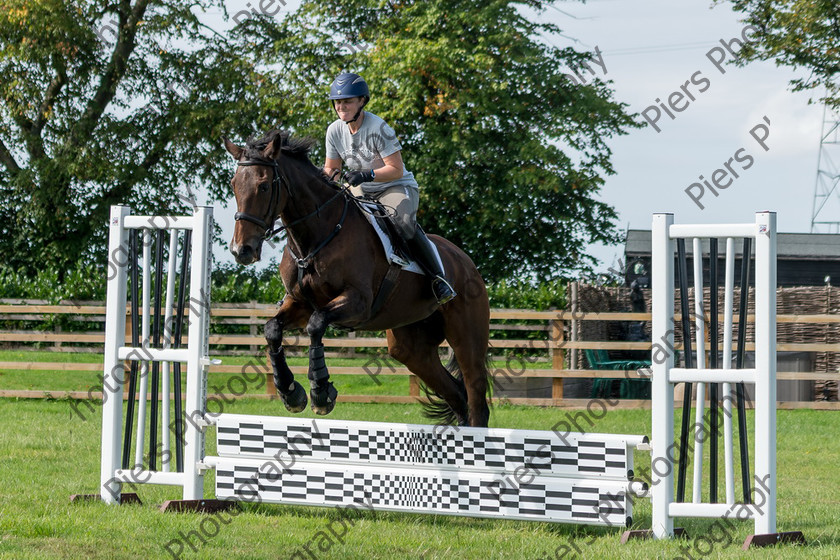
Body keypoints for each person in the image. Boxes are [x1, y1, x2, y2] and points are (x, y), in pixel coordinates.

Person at [323, 72, 456, 304]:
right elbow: (331, 170)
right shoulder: (334, 130)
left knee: (402, 224)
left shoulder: (378, 127)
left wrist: (367, 174)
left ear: (361, 101)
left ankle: (438, 278)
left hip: (394, 186)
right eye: (338, 102)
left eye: (347, 101)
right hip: (360, 189)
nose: (341, 106)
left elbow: (395, 169)